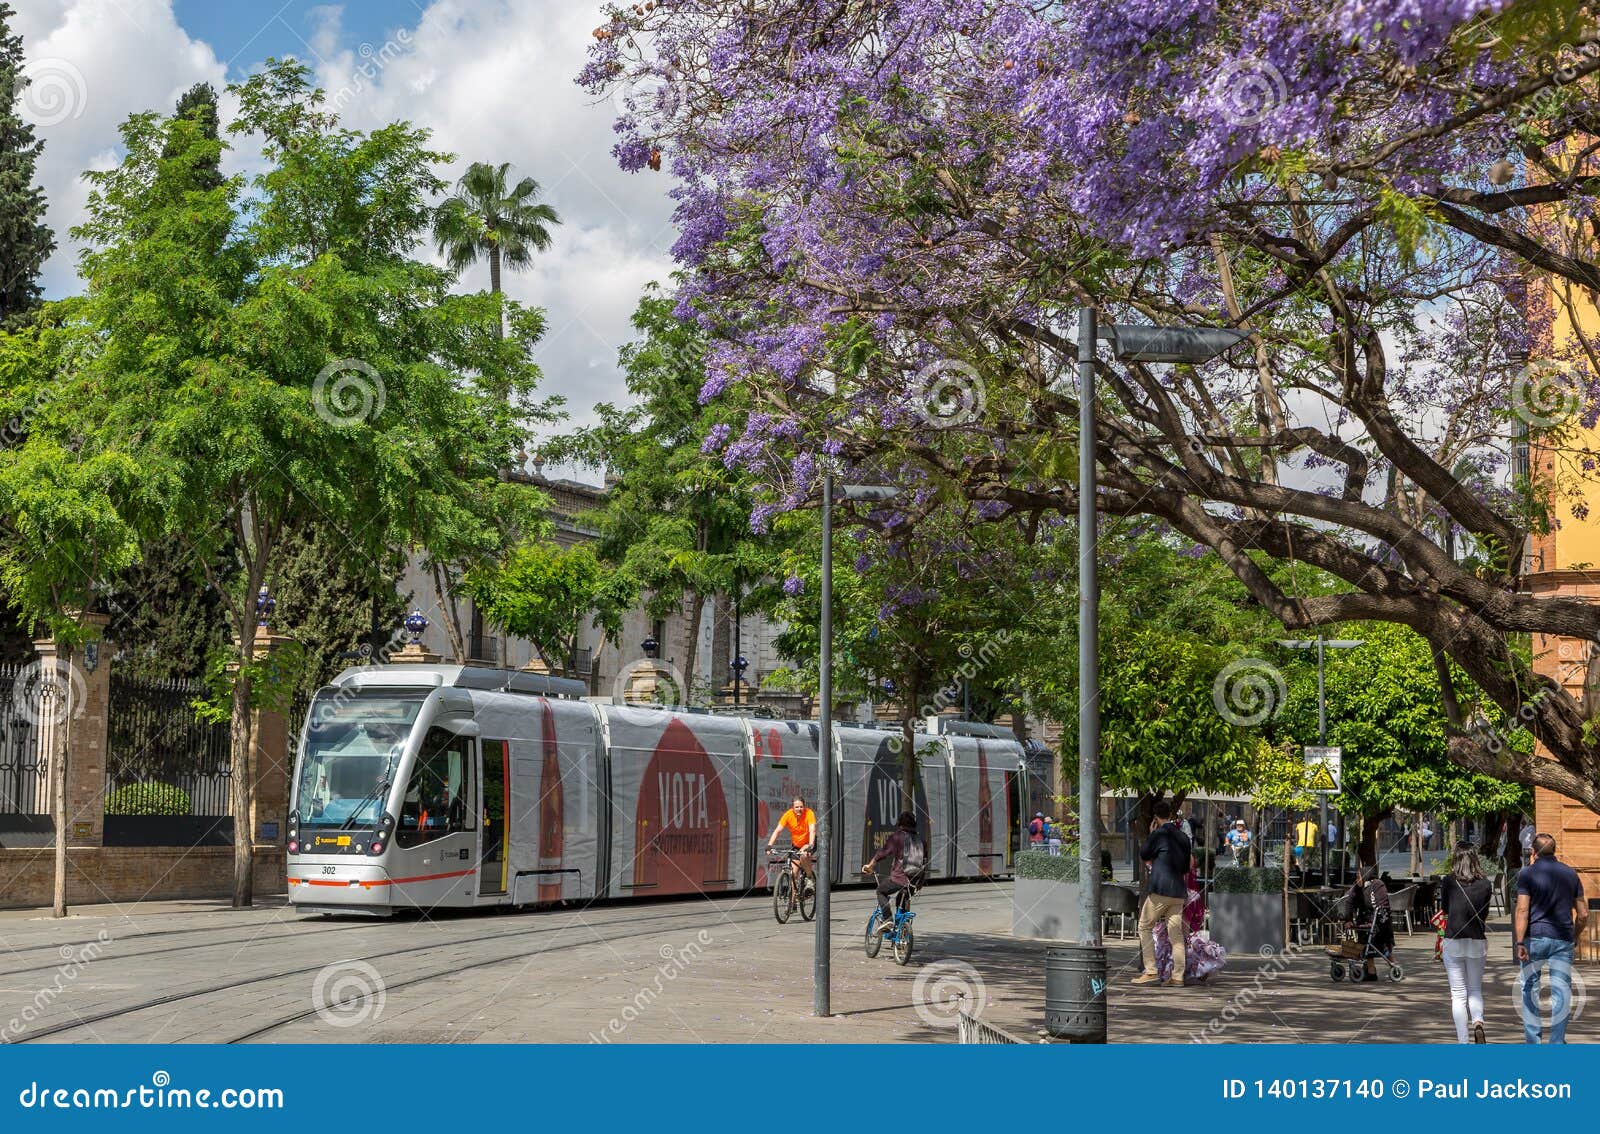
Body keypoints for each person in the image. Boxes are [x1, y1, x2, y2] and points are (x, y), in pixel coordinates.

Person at [1516, 833, 1587, 1044]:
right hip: (1563, 937)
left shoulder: (1527, 874)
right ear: (1554, 851)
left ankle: (1533, 1042)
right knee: (1561, 991)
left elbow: (1522, 910)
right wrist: (1573, 937)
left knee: (1530, 988)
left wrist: (1520, 941)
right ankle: (1556, 1042)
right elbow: (1583, 914)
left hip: (1534, 937)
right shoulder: (1570, 874)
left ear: (1533, 852)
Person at [1133, 800, 1191, 987]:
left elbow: (1144, 854)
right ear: (1172, 815)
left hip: (1160, 889)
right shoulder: (1183, 837)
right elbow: (1185, 866)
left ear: (1155, 818)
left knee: (1144, 926)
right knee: (1176, 935)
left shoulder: (1158, 834)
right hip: (1178, 892)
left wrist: (1151, 834)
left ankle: (1151, 971)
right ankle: (1178, 976)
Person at [1439, 843, 1493, 1044]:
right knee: (1475, 989)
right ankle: (1478, 1021)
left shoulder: (1448, 882)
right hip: (1477, 940)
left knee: (1458, 994)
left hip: (1453, 939)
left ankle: (1463, 1041)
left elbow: (1445, 909)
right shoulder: (1486, 884)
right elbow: (1485, 913)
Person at [861, 811, 921, 931]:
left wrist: (870, 865)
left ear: (899, 824)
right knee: (901, 900)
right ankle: (902, 931)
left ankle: (888, 920)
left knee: (881, 891)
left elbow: (883, 853)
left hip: (899, 879)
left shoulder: (898, 837)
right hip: (916, 881)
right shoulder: (920, 840)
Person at [1347, 864, 1394, 978]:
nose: (1357, 880)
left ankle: (1393, 966)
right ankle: (1371, 969)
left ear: (1365, 876)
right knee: (1366, 941)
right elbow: (1349, 902)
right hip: (1365, 919)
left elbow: (1381, 905)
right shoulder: (1357, 888)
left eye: (1358, 877)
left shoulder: (1377, 885)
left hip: (1379, 920)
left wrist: (1375, 919)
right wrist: (1347, 919)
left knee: (1382, 943)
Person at [767, 795, 817, 884]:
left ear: (804, 807)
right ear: (793, 808)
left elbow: (812, 830)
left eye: (801, 807)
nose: (799, 809)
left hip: (809, 842)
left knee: (804, 855)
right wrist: (769, 845)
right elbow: (777, 830)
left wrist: (810, 845)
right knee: (793, 874)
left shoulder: (809, 813)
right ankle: (794, 897)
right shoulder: (788, 815)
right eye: (796, 807)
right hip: (796, 845)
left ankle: (809, 877)